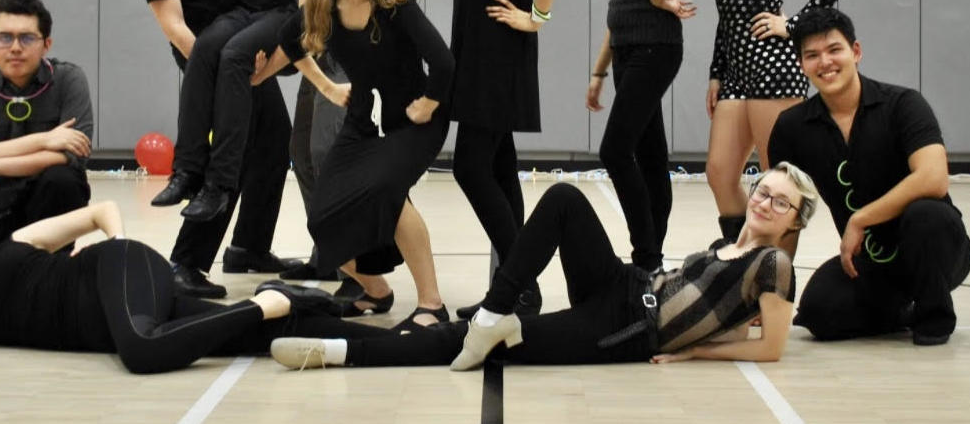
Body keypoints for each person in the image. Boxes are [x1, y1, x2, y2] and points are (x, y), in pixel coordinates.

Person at [270, 163, 819, 370]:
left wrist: (697, 352)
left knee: (466, 343)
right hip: (624, 285)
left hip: (626, 329)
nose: (765, 202)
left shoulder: (773, 262)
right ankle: (495, 310)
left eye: (780, 202)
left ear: (795, 222)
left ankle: (338, 351)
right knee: (562, 198)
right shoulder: (731, 244)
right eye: (763, 190)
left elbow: (771, 348)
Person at [0, 201, 391, 374]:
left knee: (141, 351)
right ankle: (397, 338)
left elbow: (100, 212)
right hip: (136, 312)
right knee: (250, 342)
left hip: (120, 274)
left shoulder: (15, 245)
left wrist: (117, 249)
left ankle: (266, 302)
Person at [253, 0, 454, 329]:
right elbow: (289, 42)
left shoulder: (394, 1)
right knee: (322, 218)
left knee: (387, 189)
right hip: (364, 123)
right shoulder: (322, 9)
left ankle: (432, 304)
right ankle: (376, 291)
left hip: (415, 122)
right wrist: (323, 86)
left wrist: (430, 103)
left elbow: (444, 63)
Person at [126, 0, 296, 298]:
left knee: (273, 138)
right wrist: (224, 73)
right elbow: (174, 27)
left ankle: (248, 247)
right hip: (210, 52)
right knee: (235, 144)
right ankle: (186, 263)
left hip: (236, 33)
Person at [768, 7, 970, 345]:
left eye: (835, 50)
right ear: (802, 64)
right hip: (868, 264)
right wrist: (770, 295)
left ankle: (933, 316)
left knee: (927, 214)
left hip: (936, 250)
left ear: (856, 52)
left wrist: (861, 219)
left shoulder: (903, 104)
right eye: (812, 55)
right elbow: (783, 213)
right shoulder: (792, 128)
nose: (825, 62)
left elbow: (934, 178)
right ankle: (898, 311)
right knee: (819, 312)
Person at [449, 0, 565, 317]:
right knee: (498, 168)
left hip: (498, 47)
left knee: (470, 168)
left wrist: (537, 14)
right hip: (476, 47)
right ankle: (517, 291)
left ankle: (520, 283)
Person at [702, 0, 848, 244]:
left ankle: (775, 273)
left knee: (779, 180)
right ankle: (742, 258)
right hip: (735, 72)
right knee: (719, 171)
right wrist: (716, 73)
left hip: (774, 68)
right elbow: (727, 16)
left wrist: (793, 25)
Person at [586, 0, 697, 272]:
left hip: (656, 48)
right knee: (651, 155)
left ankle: (646, 258)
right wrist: (599, 70)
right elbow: (620, 6)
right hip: (629, 50)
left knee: (616, 151)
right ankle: (652, 261)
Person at [267, 0, 352, 282]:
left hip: (342, 59)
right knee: (301, 151)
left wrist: (267, 69)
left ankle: (358, 265)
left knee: (329, 155)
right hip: (316, 56)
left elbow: (310, 11)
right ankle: (329, 255)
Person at [0, 0, 92, 253]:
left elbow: (75, 155)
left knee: (64, 179)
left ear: (46, 44)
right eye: (5, 37)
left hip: (50, 202)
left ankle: (52, 264)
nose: (16, 47)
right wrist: (44, 139)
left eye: (27, 38)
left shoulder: (68, 81)